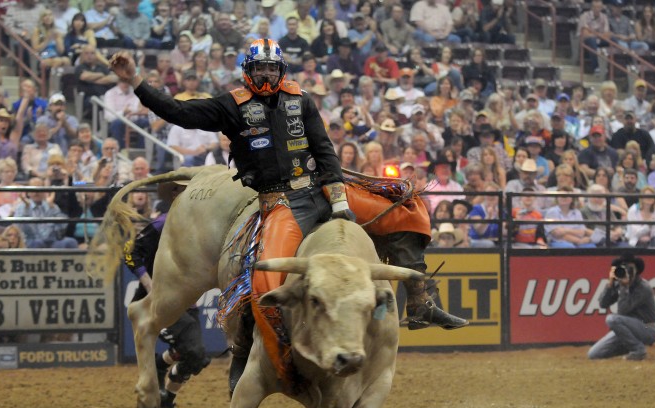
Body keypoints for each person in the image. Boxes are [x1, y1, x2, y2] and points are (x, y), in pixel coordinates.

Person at [109, 38, 467, 389]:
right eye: (259, 68)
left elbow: (324, 150)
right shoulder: (231, 105)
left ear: (280, 69)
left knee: (407, 208)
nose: (266, 74)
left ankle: (421, 299)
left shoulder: (301, 100)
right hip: (279, 203)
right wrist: (135, 81)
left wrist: (340, 199)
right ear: (247, 71)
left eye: (271, 67)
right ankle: (244, 352)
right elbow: (179, 113)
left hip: (322, 190)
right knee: (265, 279)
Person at [124, 180, 210, 408]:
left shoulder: (196, 225)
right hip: (160, 300)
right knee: (194, 353)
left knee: (196, 357)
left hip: (186, 300)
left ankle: (162, 375)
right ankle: (165, 397)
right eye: (182, 190)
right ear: (174, 194)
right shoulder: (162, 224)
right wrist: (150, 286)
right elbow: (131, 252)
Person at [587, 254, 655, 361]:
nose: (628, 272)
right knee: (594, 354)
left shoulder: (643, 288)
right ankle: (632, 346)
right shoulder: (620, 284)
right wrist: (610, 285)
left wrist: (624, 287)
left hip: (647, 328)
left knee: (612, 319)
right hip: (628, 329)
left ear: (637, 270)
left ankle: (638, 350)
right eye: (624, 269)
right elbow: (603, 304)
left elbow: (623, 310)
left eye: (630, 269)